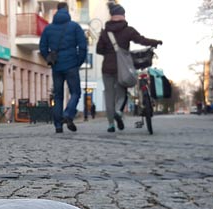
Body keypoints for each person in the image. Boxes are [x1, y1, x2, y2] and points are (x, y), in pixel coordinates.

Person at [96, 3, 161, 133]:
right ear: (123, 16)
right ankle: (118, 111)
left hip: (107, 68)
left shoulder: (105, 32)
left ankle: (111, 125)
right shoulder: (128, 30)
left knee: (109, 95)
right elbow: (141, 40)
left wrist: (109, 54)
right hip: (122, 68)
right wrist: (155, 42)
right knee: (121, 93)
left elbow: (99, 49)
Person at [40, 3, 87, 134]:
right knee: (75, 92)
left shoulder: (48, 29)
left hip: (56, 66)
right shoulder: (75, 27)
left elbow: (43, 47)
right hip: (72, 64)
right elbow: (83, 46)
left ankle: (58, 126)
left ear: (56, 11)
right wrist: (78, 61)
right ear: (67, 11)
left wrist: (49, 58)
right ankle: (68, 114)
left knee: (58, 96)